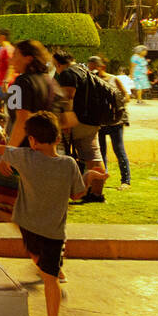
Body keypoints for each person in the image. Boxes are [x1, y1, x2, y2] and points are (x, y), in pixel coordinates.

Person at [0, 110, 85, 316]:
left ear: (31, 140)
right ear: (58, 139)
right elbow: (78, 194)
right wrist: (89, 178)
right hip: (53, 233)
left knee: (39, 262)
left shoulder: (24, 157)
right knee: (51, 279)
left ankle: (45, 270)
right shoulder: (69, 164)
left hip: (27, 227)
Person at [51, 48, 109, 202]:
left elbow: (68, 98)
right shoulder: (83, 69)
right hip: (92, 119)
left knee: (76, 155)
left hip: (79, 120)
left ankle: (72, 190)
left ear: (57, 63)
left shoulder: (67, 74)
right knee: (94, 155)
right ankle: (96, 193)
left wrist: (64, 121)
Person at [90, 56, 131, 190]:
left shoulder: (114, 79)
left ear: (102, 67)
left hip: (115, 122)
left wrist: (114, 103)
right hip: (100, 122)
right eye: (90, 69)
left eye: (94, 68)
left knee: (119, 150)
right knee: (101, 152)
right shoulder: (91, 81)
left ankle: (126, 181)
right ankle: (103, 179)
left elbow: (127, 96)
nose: (92, 71)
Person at [6, 39, 56, 147]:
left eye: (15, 55)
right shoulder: (49, 81)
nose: (11, 60)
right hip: (46, 147)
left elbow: (22, 120)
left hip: (25, 149)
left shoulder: (22, 82)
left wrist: (8, 153)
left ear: (28, 59)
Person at [0, 29, 16, 99]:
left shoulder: (8, 49)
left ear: (2, 37)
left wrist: (6, 82)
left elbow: (11, 66)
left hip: (6, 85)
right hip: (1, 84)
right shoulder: (3, 49)